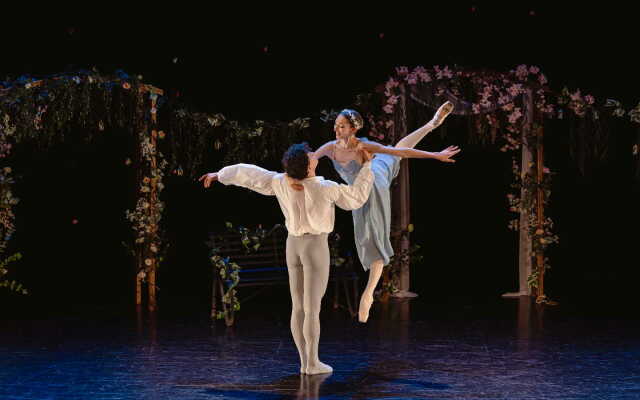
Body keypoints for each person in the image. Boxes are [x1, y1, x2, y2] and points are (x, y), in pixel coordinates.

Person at [199, 142, 374, 375]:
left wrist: (219, 175)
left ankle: (305, 362)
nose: (315, 156)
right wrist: (368, 167)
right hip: (314, 246)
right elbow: (356, 198)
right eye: (311, 157)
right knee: (312, 309)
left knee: (299, 307)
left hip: (293, 247)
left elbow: (248, 174)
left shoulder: (280, 181)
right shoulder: (325, 187)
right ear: (309, 167)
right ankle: (312, 363)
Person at [311, 101, 459, 322]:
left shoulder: (363, 146)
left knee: (374, 238)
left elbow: (401, 150)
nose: (337, 129)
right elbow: (310, 161)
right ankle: (432, 122)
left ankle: (368, 294)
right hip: (357, 190)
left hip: (375, 183)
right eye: (336, 125)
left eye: (342, 126)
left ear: (353, 129)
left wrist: (435, 155)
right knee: (364, 236)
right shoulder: (330, 148)